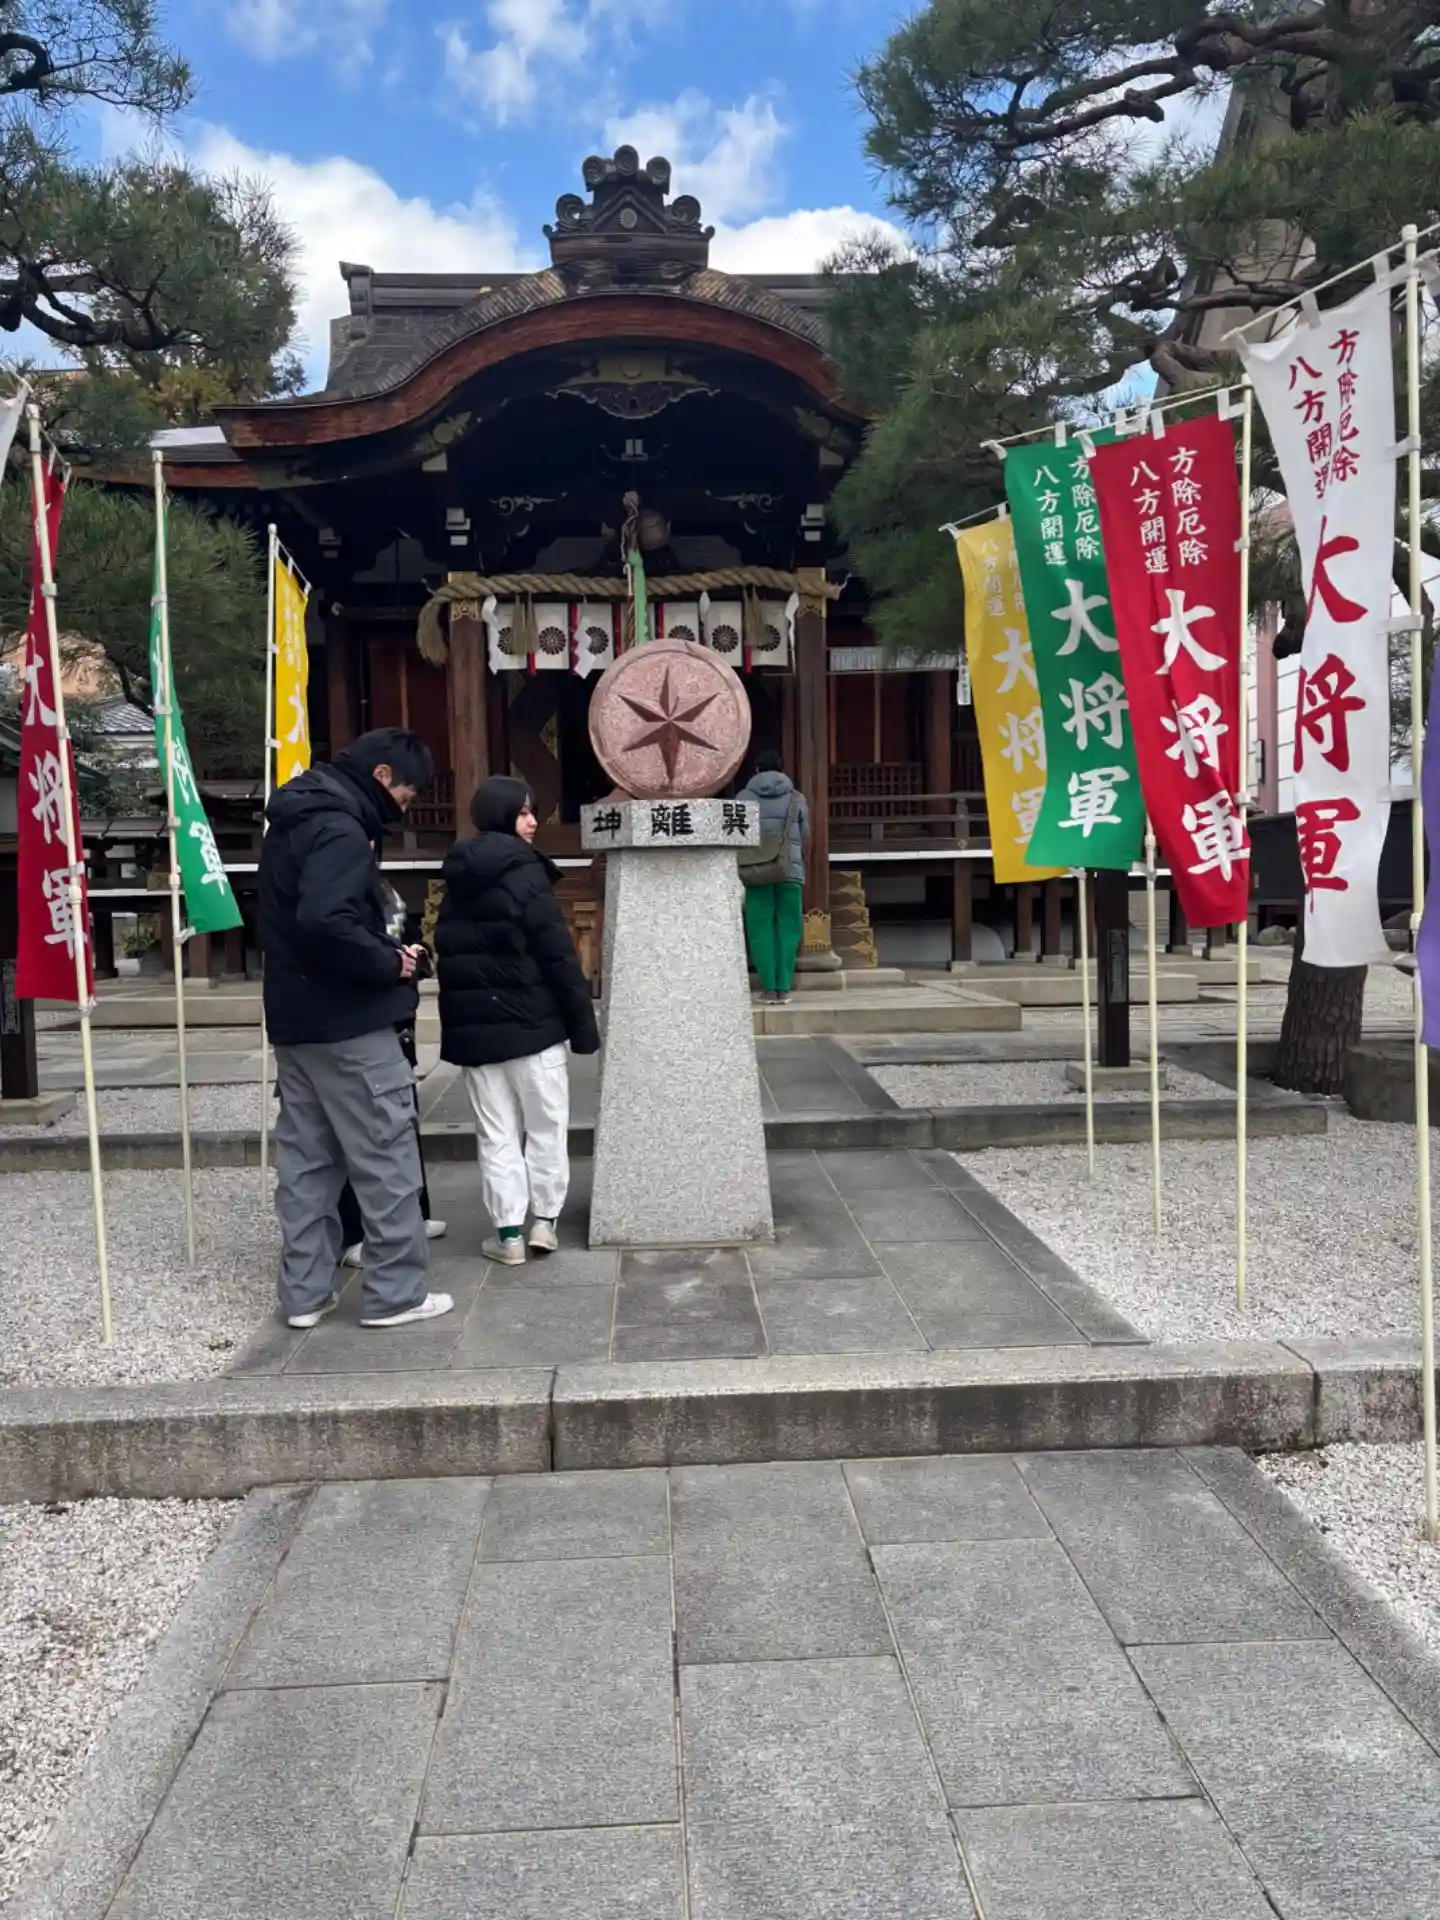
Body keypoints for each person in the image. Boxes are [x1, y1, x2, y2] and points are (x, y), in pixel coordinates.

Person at [259, 727, 453, 1331]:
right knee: (386, 1158)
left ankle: (305, 1295)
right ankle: (396, 1294)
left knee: (308, 1167)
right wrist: (390, 961)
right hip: (351, 1022)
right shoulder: (342, 829)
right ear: (381, 777)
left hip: (295, 1022)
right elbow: (328, 920)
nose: (405, 809)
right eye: (406, 796)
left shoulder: (291, 820)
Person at [435, 776, 600, 1264]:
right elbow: (558, 957)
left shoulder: (457, 878)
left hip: (478, 1036)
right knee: (546, 1128)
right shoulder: (527, 873)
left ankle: (508, 1234)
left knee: (497, 1136)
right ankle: (544, 1223)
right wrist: (583, 1027)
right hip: (534, 1028)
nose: (532, 822)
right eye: (524, 812)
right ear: (503, 815)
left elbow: (450, 956)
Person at [738, 749, 810, 1003]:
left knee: (760, 928)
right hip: (790, 870)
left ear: (757, 770)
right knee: (789, 929)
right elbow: (805, 834)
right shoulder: (797, 798)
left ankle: (769, 989)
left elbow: (738, 835)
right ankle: (784, 988)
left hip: (756, 870)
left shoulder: (743, 797)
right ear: (780, 769)